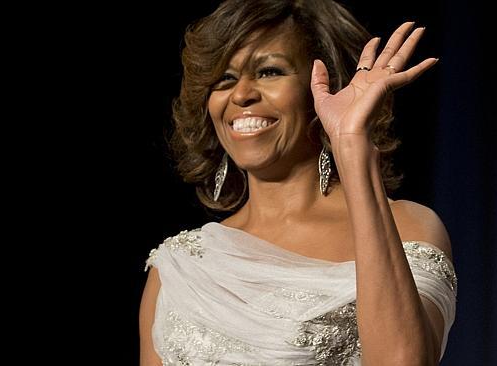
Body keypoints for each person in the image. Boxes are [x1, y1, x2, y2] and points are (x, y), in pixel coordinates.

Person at [139, 0, 457, 364]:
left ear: (326, 88)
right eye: (224, 79)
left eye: (269, 71)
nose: (241, 94)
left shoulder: (409, 227)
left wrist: (351, 143)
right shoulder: (178, 269)